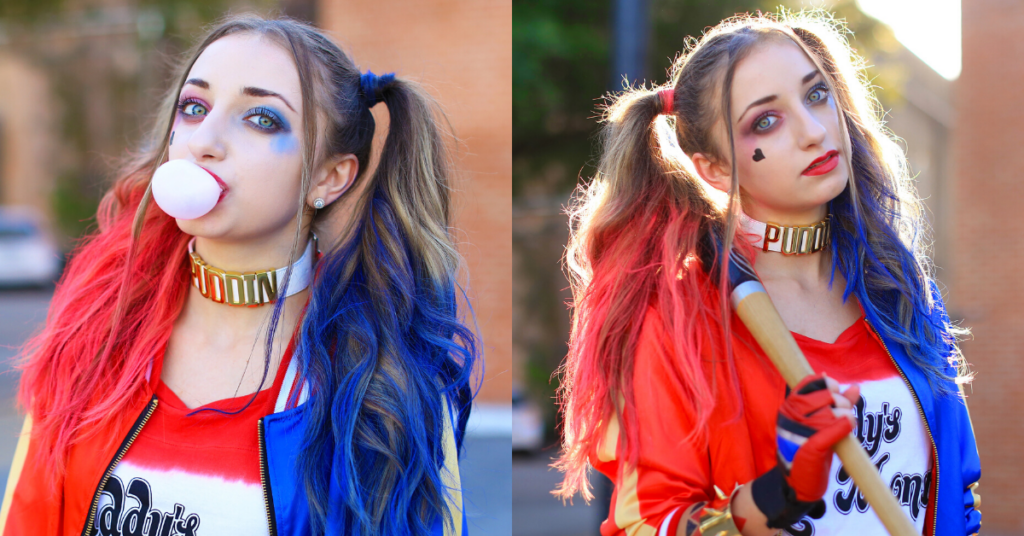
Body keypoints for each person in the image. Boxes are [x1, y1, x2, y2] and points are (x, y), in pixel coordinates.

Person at [0, 14, 476, 536]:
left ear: (329, 176)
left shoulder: (385, 388)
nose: (204, 140)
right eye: (194, 107)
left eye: (261, 119)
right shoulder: (93, 335)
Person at [555, 11, 980, 536]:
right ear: (715, 168)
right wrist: (780, 492)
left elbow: (959, 496)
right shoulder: (680, 320)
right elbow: (647, 524)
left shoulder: (899, 291)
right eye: (765, 121)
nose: (813, 130)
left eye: (816, 95)